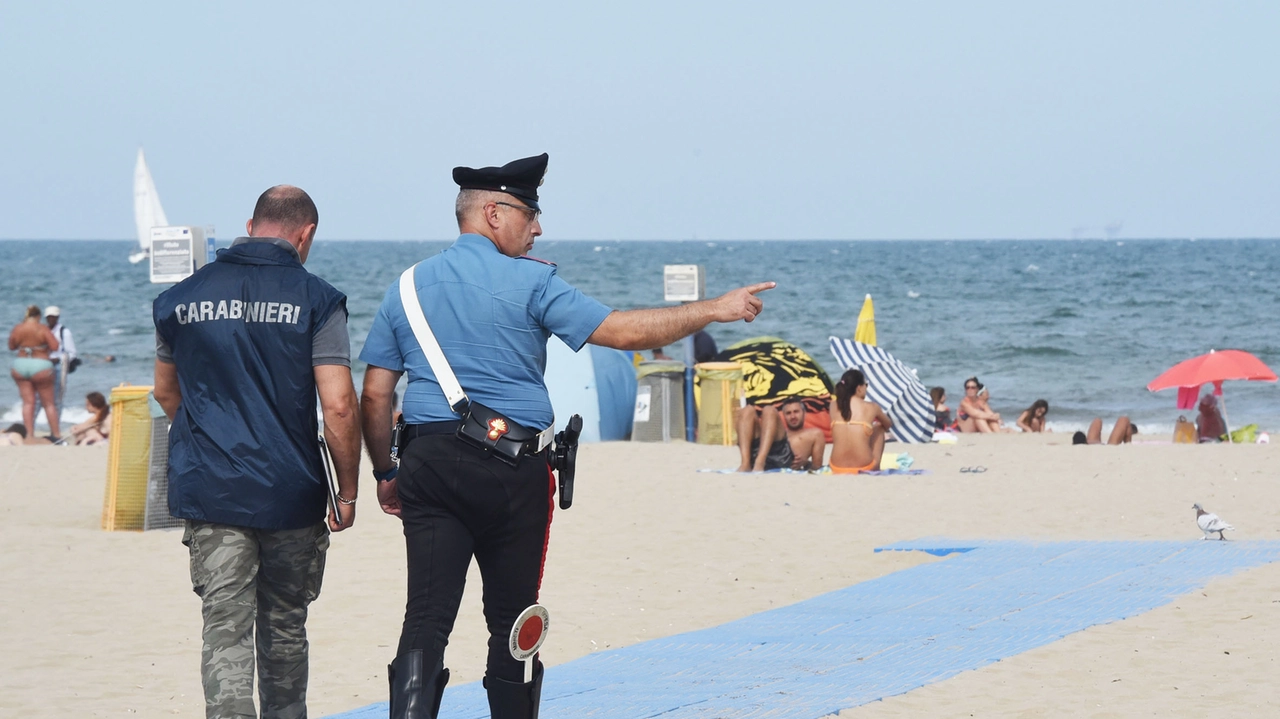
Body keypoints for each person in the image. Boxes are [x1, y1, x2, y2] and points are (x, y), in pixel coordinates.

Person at [358, 153, 774, 719]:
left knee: (426, 616)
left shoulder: (404, 288)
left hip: (428, 464)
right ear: (494, 213)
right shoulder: (532, 281)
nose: (538, 228)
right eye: (530, 213)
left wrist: (386, 473)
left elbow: (375, 395)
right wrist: (714, 310)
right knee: (513, 622)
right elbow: (623, 331)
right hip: (512, 470)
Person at [152, 185, 361, 719]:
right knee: (285, 624)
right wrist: (349, 491)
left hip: (212, 487)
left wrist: (206, 440)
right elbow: (338, 406)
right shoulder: (318, 298)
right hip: (290, 490)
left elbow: (165, 392)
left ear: (251, 223)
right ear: (306, 232)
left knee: (225, 628)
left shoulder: (177, 300)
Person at [8, 305, 61, 441]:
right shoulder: (42, 328)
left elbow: (11, 346)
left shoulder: (18, 328)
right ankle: (56, 434)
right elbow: (55, 346)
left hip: (20, 364)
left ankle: (29, 435)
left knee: (28, 403)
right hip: (41, 364)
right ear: (38, 316)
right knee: (48, 403)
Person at [733, 396, 826, 472]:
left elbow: (817, 468)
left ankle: (759, 462)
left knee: (769, 409)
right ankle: (745, 464)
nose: (793, 416)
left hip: (783, 457)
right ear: (784, 416)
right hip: (760, 452)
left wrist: (805, 463)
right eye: (788, 413)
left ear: (804, 412)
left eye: (796, 412)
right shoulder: (775, 431)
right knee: (747, 410)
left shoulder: (815, 434)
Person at [828, 369, 893, 474]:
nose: (866, 388)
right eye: (865, 385)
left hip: (836, 466)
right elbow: (888, 425)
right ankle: (876, 468)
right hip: (865, 467)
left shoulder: (833, 405)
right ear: (859, 388)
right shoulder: (872, 407)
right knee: (879, 427)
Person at [44, 306, 76, 413]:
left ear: (57, 317)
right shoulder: (44, 331)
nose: (51, 319)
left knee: (58, 397)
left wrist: (58, 359)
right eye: (49, 317)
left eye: (53, 317)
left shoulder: (64, 332)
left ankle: (56, 424)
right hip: (45, 366)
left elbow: (72, 353)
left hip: (59, 366)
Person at [1073, 416, 1137, 445]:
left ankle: (1082, 442)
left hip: (1089, 443)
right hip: (1109, 447)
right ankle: (1128, 444)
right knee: (1124, 419)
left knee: (1097, 421)